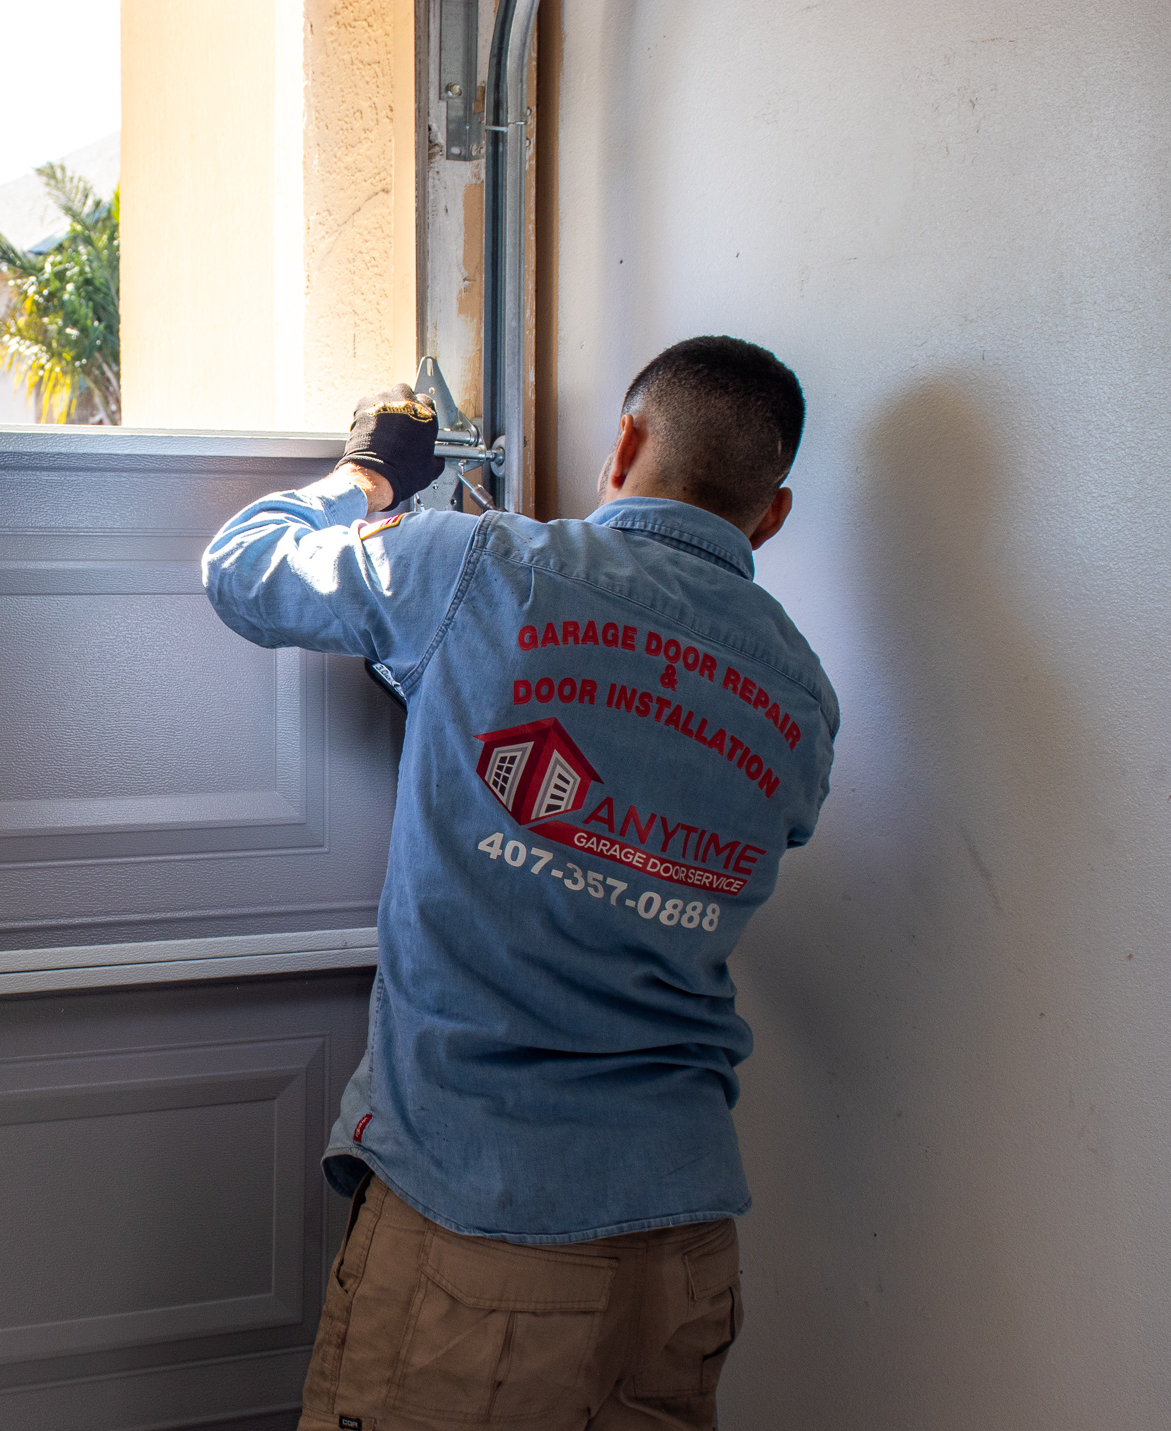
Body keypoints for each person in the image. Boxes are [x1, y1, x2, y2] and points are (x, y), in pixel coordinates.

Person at [202, 336, 838, 1430]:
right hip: (684, 1249)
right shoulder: (805, 695)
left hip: (483, 1234)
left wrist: (368, 475)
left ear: (624, 444)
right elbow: (742, 823)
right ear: (769, 516)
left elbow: (242, 569)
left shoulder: (478, 566)